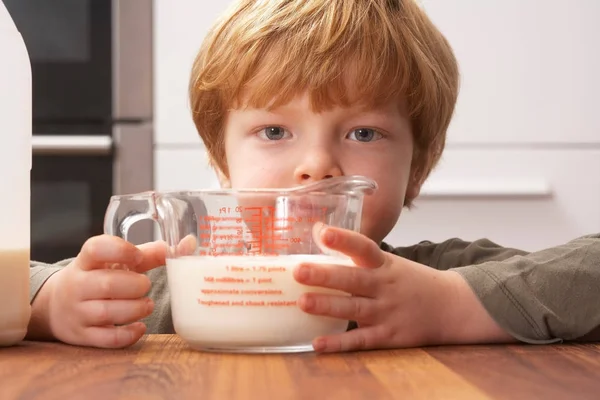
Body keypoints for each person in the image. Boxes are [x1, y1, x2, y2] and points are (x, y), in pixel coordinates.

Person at [27, 0, 600, 351]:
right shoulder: (180, 288)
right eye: (276, 132)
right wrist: (49, 304)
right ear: (223, 163)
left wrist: (451, 305)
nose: (317, 166)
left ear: (417, 169)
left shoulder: (437, 278)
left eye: (364, 133)